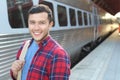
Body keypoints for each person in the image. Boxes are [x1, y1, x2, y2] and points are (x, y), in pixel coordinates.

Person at [10, 4, 71, 80]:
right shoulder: (25, 46)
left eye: (42, 23)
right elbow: (19, 76)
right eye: (32, 22)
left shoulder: (58, 55)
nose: (36, 28)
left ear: (50, 25)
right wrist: (14, 73)